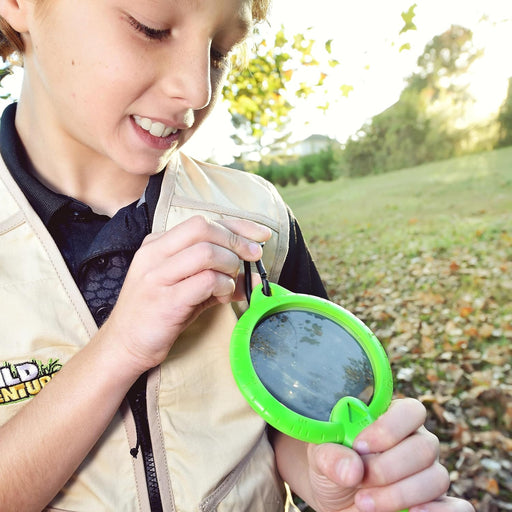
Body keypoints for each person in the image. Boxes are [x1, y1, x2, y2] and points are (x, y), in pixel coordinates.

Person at [0, 1, 474, 511]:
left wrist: (335, 481)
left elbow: (291, 418)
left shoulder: (255, 216)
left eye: (219, 52)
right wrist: (119, 350)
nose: (197, 90)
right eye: (151, 28)